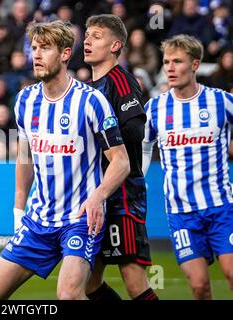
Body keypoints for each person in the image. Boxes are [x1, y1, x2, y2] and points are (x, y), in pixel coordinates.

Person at [0, 20, 130, 300]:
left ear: (64, 54)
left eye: (45, 48)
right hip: (38, 221)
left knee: (70, 295)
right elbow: (25, 158)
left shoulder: (91, 101)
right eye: (34, 48)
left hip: (79, 219)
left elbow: (121, 161)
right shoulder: (25, 100)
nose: (36, 54)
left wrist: (98, 196)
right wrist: (18, 211)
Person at [142, 34, 233, 299]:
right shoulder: (155, 108)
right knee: (199, 286)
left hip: (221, 208)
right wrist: (138, 178)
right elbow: (145, 146)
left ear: (195, 64)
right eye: (166, 61)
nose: (169, 68)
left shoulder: (220, 101)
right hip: (182, 214)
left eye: (177, 61)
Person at [83, 14, 158, 301]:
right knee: (89, 283)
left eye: (97, 36)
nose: (87, 41)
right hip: (97, 194)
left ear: (115, 46)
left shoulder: (121, 82)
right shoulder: (91, 89)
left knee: (132, 275)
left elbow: (134, 131)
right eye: (87, 35)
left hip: (123, 194)